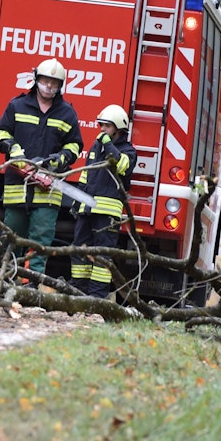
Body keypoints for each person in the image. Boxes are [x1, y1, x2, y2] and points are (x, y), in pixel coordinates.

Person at [0, 58, 82, 283]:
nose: (49, 86)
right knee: (12, 237)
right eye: (46, 81)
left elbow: (75, 146)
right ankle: (7, 281)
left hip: (47, 190)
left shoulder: (67, 112)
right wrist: (12, 149)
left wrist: (58, 160)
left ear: (60, 85)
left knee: (40, 241)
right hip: (17, 187)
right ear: (36, 80)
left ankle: (31, 286)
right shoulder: (17, 106)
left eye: (54, 83)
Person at [69, 104, 137, 298]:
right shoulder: (96, 146)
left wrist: (108, 144)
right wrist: (77, 200)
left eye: (106, 126)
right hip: (87, 209)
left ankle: (97, 299)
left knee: (102, 257)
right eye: (101, 125)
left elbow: (122, 166)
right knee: (79, 251)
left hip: (107, 213)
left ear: (117, 127)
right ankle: (77, 294)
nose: (101, 130)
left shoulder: (128, 151)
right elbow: (86, 175)